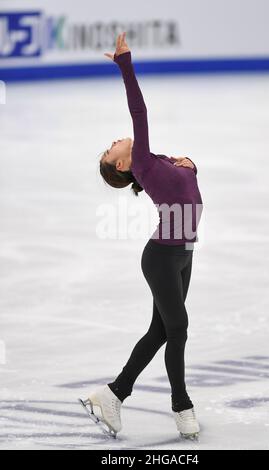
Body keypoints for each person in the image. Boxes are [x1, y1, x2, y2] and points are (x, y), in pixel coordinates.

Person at [79, 32, 203, 440]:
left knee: (162, 331)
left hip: (183, 253)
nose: (114, 142)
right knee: (178, 328)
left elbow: (187, 185)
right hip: (162, 258)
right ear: (123, 165)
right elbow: (140, 110)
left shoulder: (162, 160)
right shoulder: (145, 163)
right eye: (109, 149)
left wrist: (193, 164)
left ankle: (113, 393)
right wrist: (125, 65)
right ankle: (181, 405)